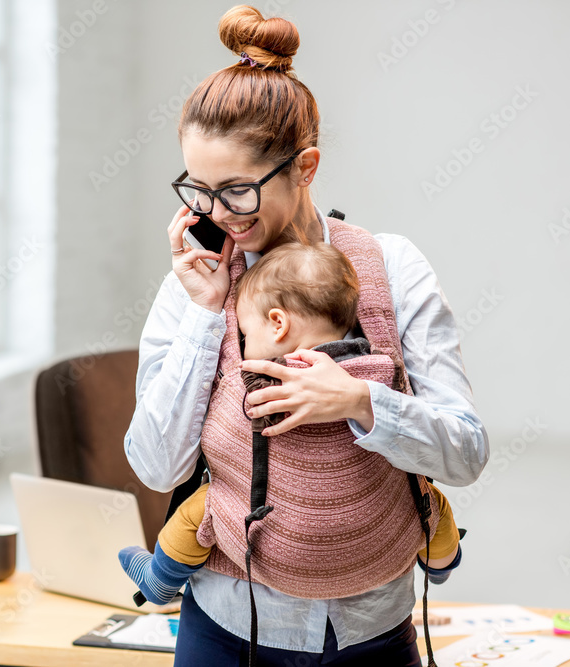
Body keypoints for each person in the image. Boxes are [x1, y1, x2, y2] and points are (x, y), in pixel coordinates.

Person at [123, 6, 488, 665]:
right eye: (197, 191)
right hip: (225, 629)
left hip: (369, 633)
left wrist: (360, 402)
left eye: (236, 190)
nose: (215, 217)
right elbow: (156, 465)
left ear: (306, 166)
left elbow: (466, 452)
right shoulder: (195, 284)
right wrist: (208, 313)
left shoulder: (391, 268)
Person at [118, 242, 463, 607]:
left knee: (204, 504)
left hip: (271, 559)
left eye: (246, 335)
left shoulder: (259, 385)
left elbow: (216, 447)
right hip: (383, 555)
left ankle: (159, 580)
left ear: (278, 324)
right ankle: (441, 564)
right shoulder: (378, 371)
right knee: (430, 500)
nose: (244, 342)